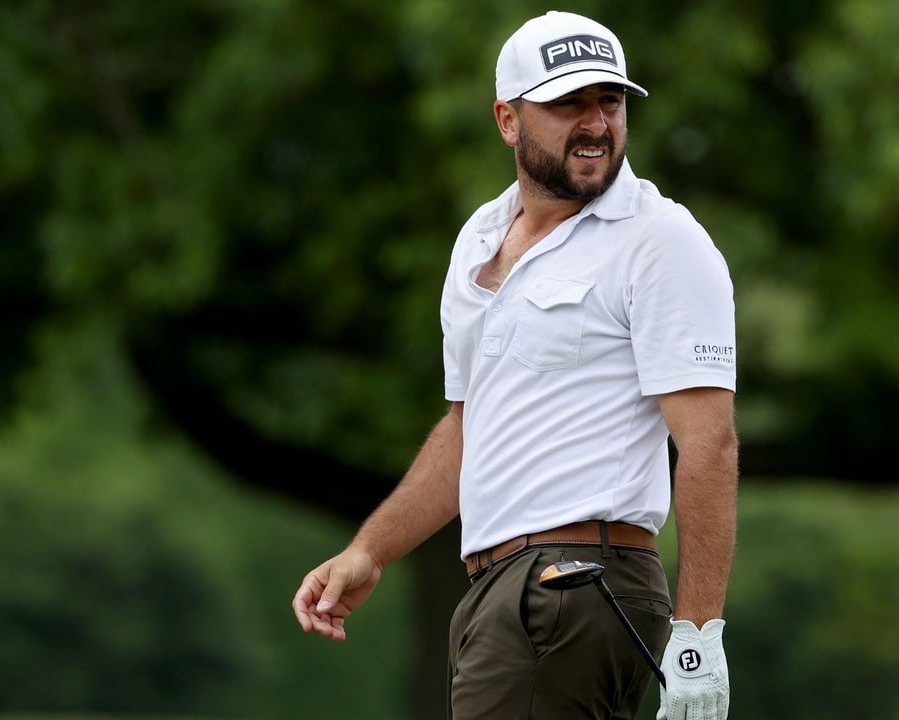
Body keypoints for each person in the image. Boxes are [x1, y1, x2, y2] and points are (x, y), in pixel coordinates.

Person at [292, 10, 737, 719]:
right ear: (508, 119)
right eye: (568, 104)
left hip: (576, 586)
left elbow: (708, 441)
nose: (596, 123)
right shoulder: (478, 240)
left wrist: (698, 637)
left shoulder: (660, 239)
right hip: (501, 590)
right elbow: (469, 428)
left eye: (610, 102)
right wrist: (370, 551)